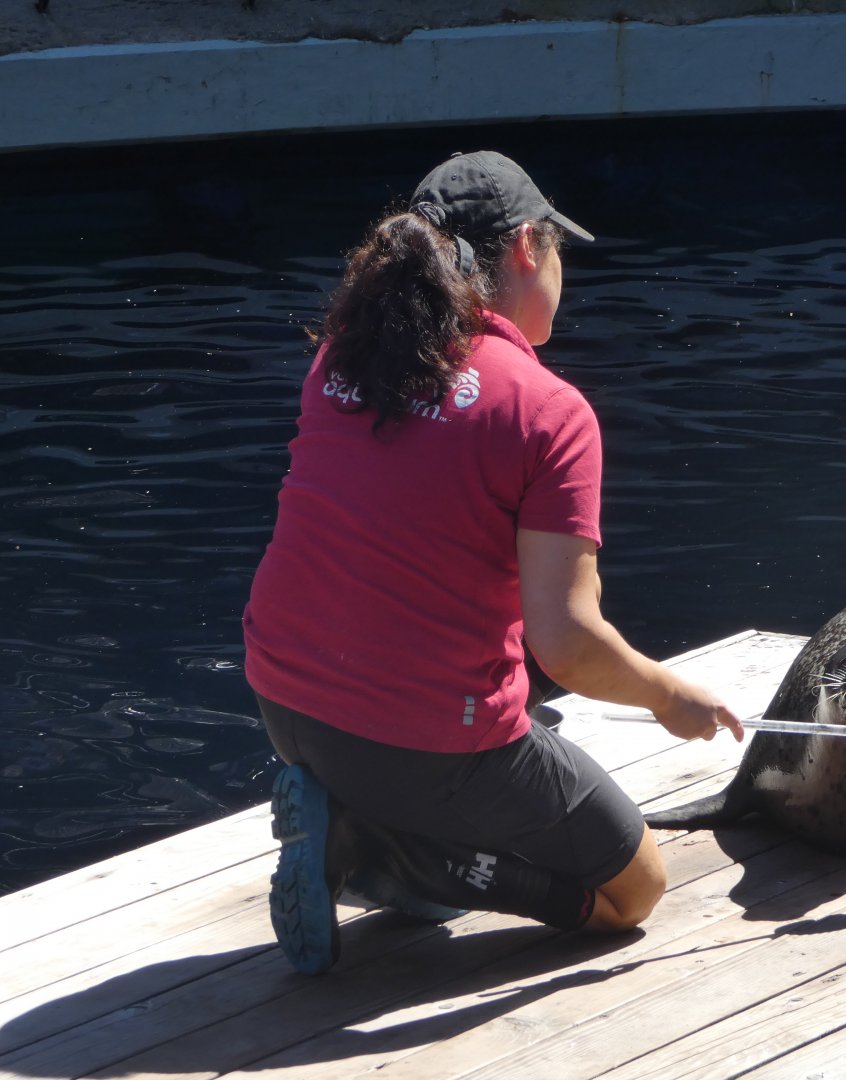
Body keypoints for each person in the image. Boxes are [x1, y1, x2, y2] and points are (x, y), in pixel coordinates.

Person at [242, 150, 743, 976]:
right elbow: (568, 644)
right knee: (634, 892)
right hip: (416, 739)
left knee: (512, 714)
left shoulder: (343, 357)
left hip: (285, 705)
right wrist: (668, 694)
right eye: (558, 250)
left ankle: (369, 815)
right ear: (523, 247)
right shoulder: (546, 410)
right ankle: (381, 852)